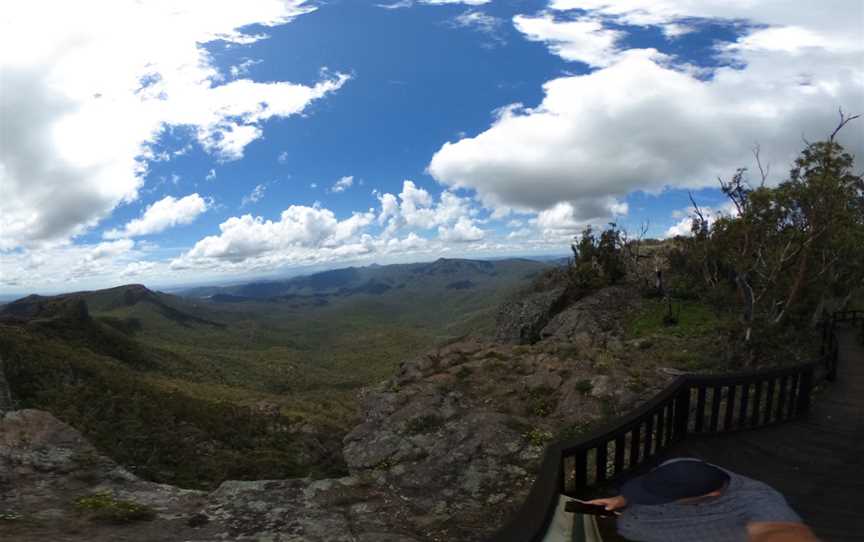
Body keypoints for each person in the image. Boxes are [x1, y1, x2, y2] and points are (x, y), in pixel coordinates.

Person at [586, 457, 819, 542]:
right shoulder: (679, 465)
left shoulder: (758, 501)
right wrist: (621, 500)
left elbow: (783, 531)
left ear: (712, 495)